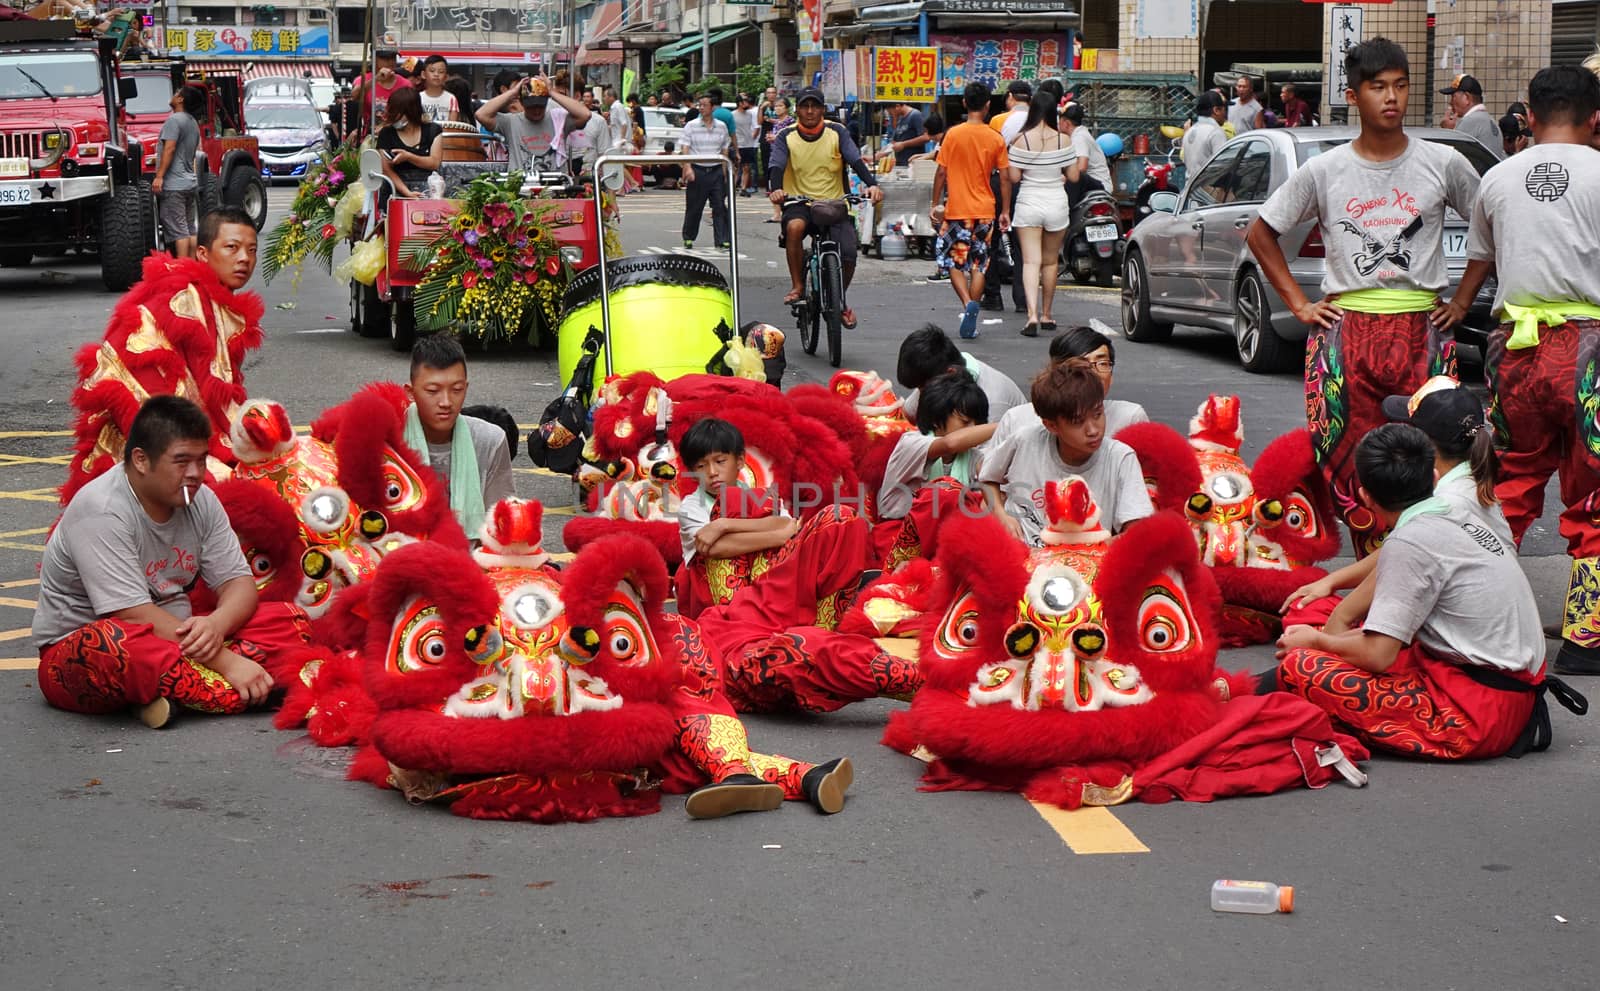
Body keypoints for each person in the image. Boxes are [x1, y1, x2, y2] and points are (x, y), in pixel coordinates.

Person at [1245, 37, 1479, 558]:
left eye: (1400, 86)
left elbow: (1490, 226)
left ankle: (1425, 575)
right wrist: (1300, 306)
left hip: (1424, 330)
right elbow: (1261, 234)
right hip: (1343, 335)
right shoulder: (1325, 171)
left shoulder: (1443, 162)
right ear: (1354, 96)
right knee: (1352, 467)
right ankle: (1370, 578)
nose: (1391, 98)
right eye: (1378, 88)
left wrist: (1463, 300)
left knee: (1436, 462)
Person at [1272, 424, 1581, 760]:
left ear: (1365, 498)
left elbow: (1378, 655)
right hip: (1500, 685)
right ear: (1433, 479)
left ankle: (1251, 690)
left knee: (1302, 665)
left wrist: (1318, 643)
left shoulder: (1411, 540)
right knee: (1317, 619)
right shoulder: (1455, 507)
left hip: (1479, 714)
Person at [1438, 64, 1600, 675]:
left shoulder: (1499, 179)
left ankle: (1483, 618)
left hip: (1517, 350)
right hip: (1591, 349)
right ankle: (1587, 638)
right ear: (1596, 119)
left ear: (1527, 117)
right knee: (1595, 492)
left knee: (1510, 484)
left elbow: (1481, 258)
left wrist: (1456, 308)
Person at [36, 396, 315, 728]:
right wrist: (225, 660)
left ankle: (172, 696)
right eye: (182, 461)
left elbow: (239, 584)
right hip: (91, 650)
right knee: (117, 647)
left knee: (290, 620)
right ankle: (254, 689)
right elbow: (130, 613)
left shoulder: (201, 499)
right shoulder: (101, 509)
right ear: (141, 460)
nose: (196, 474)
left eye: (202, 460)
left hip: (182, 637)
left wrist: (216, 626)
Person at [675, 419, 916, 714]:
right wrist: (774, 533)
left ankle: (824, 627)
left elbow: (786, 528)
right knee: (799, 653)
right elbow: (718, 550)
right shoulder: (691, 506)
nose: (711, 472)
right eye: (700, 466)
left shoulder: (762, 497)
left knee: (841, 518)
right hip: (727, 614)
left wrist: (724, 525)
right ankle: (913, 681)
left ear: (739, 461)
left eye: (719, 461)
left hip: (776, 590)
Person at [63, 208, 262, 506]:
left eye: (252, 250)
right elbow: (134, 372)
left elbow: (217, 393)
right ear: (203, 254)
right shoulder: (180, 298)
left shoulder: (216, 303)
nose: (244, 258)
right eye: (232, 247)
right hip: (143, 437)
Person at [1282, 376, 1509, 636]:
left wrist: (1325, 641)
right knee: (1316, 610)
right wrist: (1331, 582)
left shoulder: (1444, 504)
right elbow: (1393, 554)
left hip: (1464, 646)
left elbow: (1376, 648)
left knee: (1307, 625)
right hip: (1480, 634)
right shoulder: (1465, 481)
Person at [980, 360, 1154, 546]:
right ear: (1051, 425)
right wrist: (1001, 514)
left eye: (1097, 415)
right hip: (1023, 555)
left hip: (1088, 566)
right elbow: (988, 478)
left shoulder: (1121, 457)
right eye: (1078, 422)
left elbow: (1137, 530)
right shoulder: (1024, 440)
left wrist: (1089, 554)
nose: (1093, 430)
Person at [766, 87, 883, 329]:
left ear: (822, 109)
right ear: (796, 109)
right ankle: (798, 285)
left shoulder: (836, 131)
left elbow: (855, 160)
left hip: (834, 203)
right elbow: (776, 165)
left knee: (849, 253)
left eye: (815, 106)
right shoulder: (785, 135)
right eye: (805, 106)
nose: (810, 111)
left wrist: (872, 185)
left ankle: (839, 300)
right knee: (795, 228)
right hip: (799, 202)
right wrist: (776, 189)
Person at [403, 335, 515, 538]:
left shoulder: (490, 441)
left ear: (466, 387)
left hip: (471, 560)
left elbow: (502, 527)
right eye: (433, 391)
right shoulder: (388, 439)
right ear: (410, 392)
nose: (446, 402)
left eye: (456, 390)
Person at [931, 81, 1010, 339]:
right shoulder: (995, 138)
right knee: (979, 264)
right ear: (988, 106)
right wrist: (1005, 210)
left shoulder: (953, 134)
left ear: (965, 103)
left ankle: (967, 305)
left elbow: (941, 171)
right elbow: (1006, 177)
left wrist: (935, 203)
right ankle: (971, 314)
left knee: (955, 262)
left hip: (958, 210)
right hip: (985, 209)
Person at [990, 324, 1149, 451]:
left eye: (1102, 364)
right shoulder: (1017, 420)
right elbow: (988, 478)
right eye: (1081, 365)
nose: (1093, 373)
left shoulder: (1130, 418)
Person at [1006, 89, 1082, 336]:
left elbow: (1014, 177)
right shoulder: (1064, 140)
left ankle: (1032, 316)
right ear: (1053, 112)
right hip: (1056, 204)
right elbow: (1073, 176)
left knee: (1030, 261)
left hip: (1029, 202)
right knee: (1050, 262)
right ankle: (1048, 314)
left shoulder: (1021, 139)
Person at [878, 370, 997, 521]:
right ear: (936, 419)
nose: (974, 429)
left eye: (978, 424)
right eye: (965, 422)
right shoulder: (912, 443)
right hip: (898, 534)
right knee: (946, 493)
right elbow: (950, 443)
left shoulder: (974, 456)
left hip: (946, 535)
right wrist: (1006, 424)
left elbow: (991, 488)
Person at [897, 322, 1026, 425]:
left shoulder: (993, 401)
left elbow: (987, 455)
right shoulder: (942, 370)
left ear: (951, 373)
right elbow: (910, 413)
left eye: (923, 388)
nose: (922, 393)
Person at [475, 73, 592, 174]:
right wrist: (512, 93)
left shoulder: (559, 120)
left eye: (540, 106)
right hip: (520, 187)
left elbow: (585, 115)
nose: (536, 111)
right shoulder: (510, 122)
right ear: (521, 102)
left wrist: (552, 92)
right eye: (531, 107)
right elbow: (481, 115)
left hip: (555, 187)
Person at [151, 84, 203, 259]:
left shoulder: (174, 121)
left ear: (181, 99)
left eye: (176, 93)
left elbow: (170, 149)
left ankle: (182, 269)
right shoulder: (192, 122)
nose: (173, 96)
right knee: (190, 228)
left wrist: (159, 176)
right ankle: (193, 267)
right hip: (189, 183)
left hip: (174, 185)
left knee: (179, 231)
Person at [680, 92, 734, 249]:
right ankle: (688, 237)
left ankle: (722, 239)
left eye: (704, 105)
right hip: (698, 170)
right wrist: (687, 167)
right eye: (699, 105)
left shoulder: (721, 126)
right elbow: (685, 147)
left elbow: (724, 148)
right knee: (694, 207)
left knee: (719, 206)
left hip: (716, 170)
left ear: (713, 107)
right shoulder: (691, 125)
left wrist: (724, 171)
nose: (701, 108)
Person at [374, 88, 443, 199]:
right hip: (395, 191)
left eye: (397, 112)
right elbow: (386, 169)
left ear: (411, 111)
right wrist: (407, 193)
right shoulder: (386, 133)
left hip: (428, 190)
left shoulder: (433, 130)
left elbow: (434, 163)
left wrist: (408, 157)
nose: (393, 116)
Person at [1440, 73, 1502, 158]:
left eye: (1453, 96)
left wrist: (1448, 132)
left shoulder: (1471, 121)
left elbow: (1450, 157)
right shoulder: (1489, 120)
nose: (1450, 102)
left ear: (1467, 98)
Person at [352, 48, 412, 133]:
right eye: (385, 59)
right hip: (370, 135)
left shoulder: (406, 84)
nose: (390, 62)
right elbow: (354, 96)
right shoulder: (363, 80)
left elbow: (411, 112)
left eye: (393, 58)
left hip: (398, 134)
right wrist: (376, 79)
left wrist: (387, 125)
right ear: (375, 60)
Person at [1060, 103, 1111, 200]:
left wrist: (1065, 177)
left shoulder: (1079, 137)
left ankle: (1067, 213)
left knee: (1075, 177)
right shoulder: (1079, 133)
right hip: (1095, 184)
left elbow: (1082, 167)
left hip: (1099, 186)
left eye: (1060, 121)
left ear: (1066, 123)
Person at [764, 97, 795, 222]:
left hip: (787, 157)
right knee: (775, 184)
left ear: (786, 108)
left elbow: (791, 138)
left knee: (785, 185)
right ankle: (777, 213)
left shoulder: (791, 122)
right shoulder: (776, 122)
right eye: (776, 106)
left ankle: (786, 212)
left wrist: (775, 138)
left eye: (780, 106)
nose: (777, 108)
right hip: (775, 156)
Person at [1182, 91, 1228, 169]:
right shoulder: (1216, 133)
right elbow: (1221, 166)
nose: (1225, 113)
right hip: (1208, 181)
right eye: (1224, 109)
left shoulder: (1189, 131)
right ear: (1216, 110)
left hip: (1191, 181)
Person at [877, 99, 928, 166]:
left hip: (913, 163)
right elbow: (894, 142)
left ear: (897, 106)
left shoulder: (915, 115)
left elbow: (926, 137)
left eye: (891, 112)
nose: (891, 115)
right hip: (901, 162)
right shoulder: (900, 118)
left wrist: (904, 144)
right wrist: (881, 154)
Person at [416, 54, 458, 124]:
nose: (436, 74)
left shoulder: (451, 99)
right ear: (423, 74)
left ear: (446, 77)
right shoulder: (417, 97)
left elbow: (452, 126)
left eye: (441, 72)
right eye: (432, 71)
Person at [732, 92, 760, 194]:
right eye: (745, 101)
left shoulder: (750, 114)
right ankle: (732, 187)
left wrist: (752, 138)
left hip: (748, 144)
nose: (747, 103)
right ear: (739, 103)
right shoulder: (732, 115)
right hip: (737, 144)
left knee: (746, 167)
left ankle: (743, 188)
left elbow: (757, 125)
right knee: (735, 167)